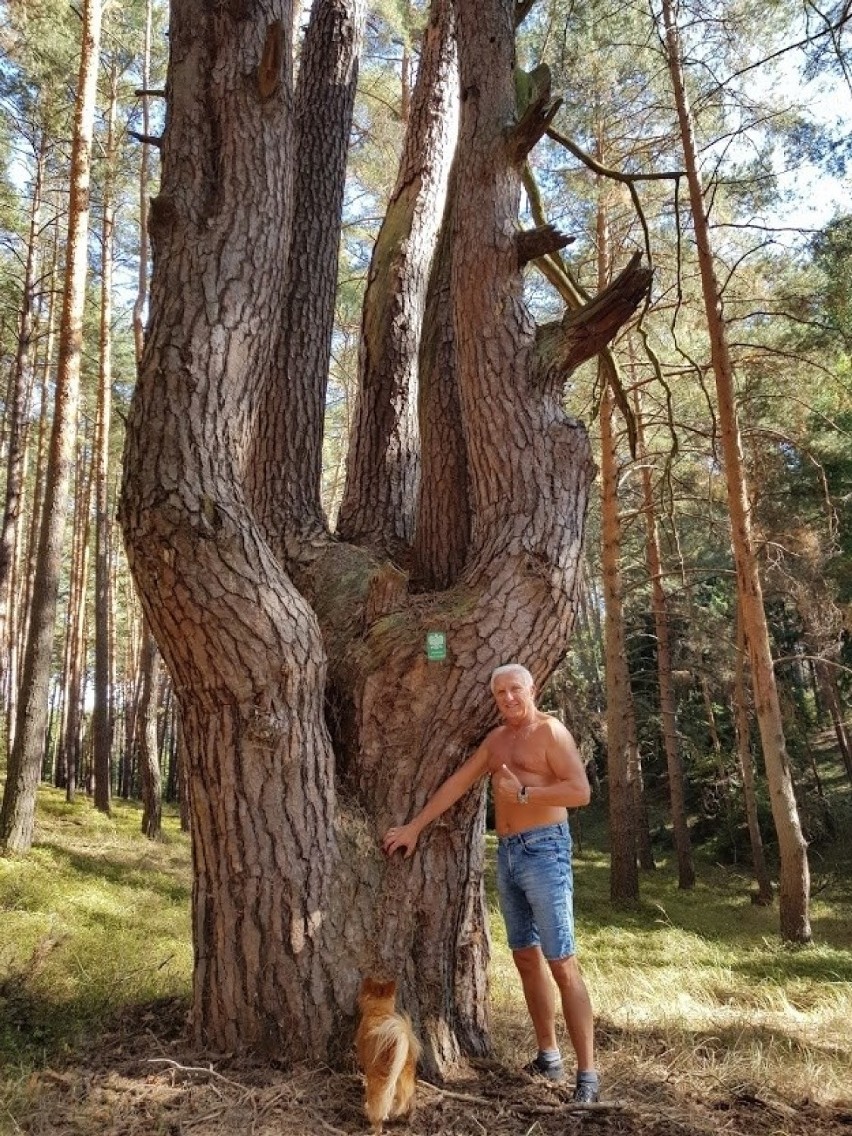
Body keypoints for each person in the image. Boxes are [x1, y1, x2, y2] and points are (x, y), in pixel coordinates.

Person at [383, 663, 599, 1103]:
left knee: (562, 962)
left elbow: (580, 791)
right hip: (509, 854)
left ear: (532, 688)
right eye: (500, 693)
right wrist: (415, 828)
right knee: (524, 957)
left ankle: (588, 1076)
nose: (508, 699)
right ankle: (548, 1056)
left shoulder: (551, 733)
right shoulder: (497, 741)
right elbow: (459, 783)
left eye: (515, 689)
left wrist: (525, 795)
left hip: (546, 850)